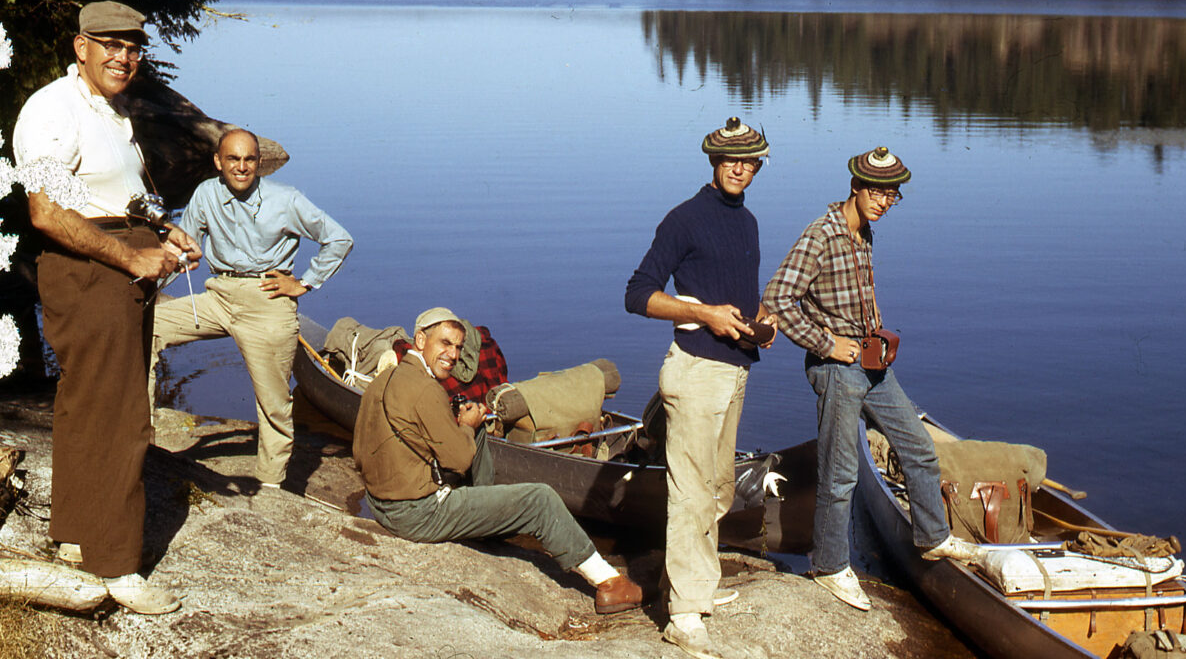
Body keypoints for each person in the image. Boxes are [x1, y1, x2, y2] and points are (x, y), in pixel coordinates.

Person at [13, 1, 203, 614]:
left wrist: (161, 229)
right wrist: (130, 259)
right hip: (91, 275)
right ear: (80, 46)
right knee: (120, 412)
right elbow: (47, 211)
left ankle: (75, 533)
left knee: (86, 403)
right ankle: (116, 565)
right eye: (111, 45)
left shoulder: (107, 110)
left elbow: (104, 189)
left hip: (120, 264)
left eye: (133, 46)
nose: (125, 57)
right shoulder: (51, 108)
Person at [761, 146, 983, 612]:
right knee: (840, 473)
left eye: (893, 195)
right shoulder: (821, 235)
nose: (885, 202)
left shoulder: (864, 236)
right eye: (878, 192)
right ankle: (829, 566)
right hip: (838, 371)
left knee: (920, 449)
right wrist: (825, 343)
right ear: (856, 188)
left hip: (873, 365)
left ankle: (932, 537)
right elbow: (779, 297)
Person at [351, 308, 642, 615]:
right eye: (445, 343)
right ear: (421, 339)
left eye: (458, 347)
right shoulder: (426, 389)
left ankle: (487, 525)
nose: (453, 355)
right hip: (416, 513)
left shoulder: (384, 380)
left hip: (381, 503)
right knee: (539, 499)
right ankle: (611, 585)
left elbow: (359, 454)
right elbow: (461, 460)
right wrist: (466, 426)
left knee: (472, 432)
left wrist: (461, 432)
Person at [624, 117, 777, 659]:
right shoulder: (684, 220)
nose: (741, 168)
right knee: (690, 493)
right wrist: (705, 314)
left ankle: (690, 585)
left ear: (758, 165)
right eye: (731, 159)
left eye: (751, 161)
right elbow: (638, 294)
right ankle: (684, 616)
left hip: (734, 370)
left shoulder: (749, 223)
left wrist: (764, 321)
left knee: (718, 489)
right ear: (713, 161)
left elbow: (739, 297)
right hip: (693, 371)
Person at [151, 128, 352, 489]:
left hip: (267, 300)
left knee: (274, 404)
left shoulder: (287, 200)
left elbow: (338, 239)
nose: (241, 167)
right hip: (218, 295)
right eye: (233, 159)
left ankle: (271, 489)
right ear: (218, 162)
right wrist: (154, 281)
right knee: (146, 326)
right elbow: (183, 247)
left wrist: (304, 283)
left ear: (259, 163)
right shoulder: (205, 194)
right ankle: (141, 439)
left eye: (249, 160)